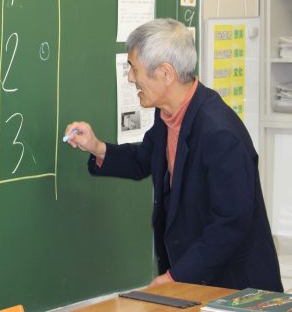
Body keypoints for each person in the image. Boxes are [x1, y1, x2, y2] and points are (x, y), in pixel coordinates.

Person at [65, 18, 283, 291]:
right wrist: (97, 147)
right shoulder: (169, 115)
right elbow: (143, 159)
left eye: (134, 68)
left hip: (235, 288)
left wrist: (175, 277)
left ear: (166, 74)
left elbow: (231, 225)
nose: (130, 78)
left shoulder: (219, 133)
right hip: (196, 280)